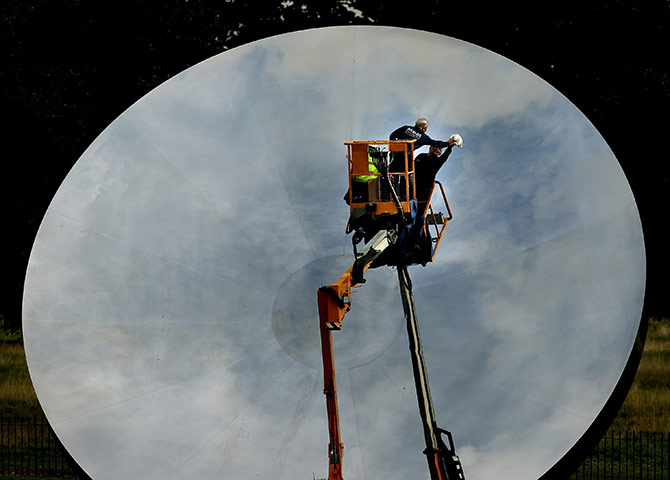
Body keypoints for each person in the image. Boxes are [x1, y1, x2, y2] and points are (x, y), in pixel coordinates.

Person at [414, 133, 462, 204]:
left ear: (440, 153)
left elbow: (446, 154)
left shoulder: (438, 161)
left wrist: (451, 145)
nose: (436, 149)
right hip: (412, 185)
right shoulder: (421, 156)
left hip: (423, 190)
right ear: (430, 148)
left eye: (439, 148)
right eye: (435, 146)